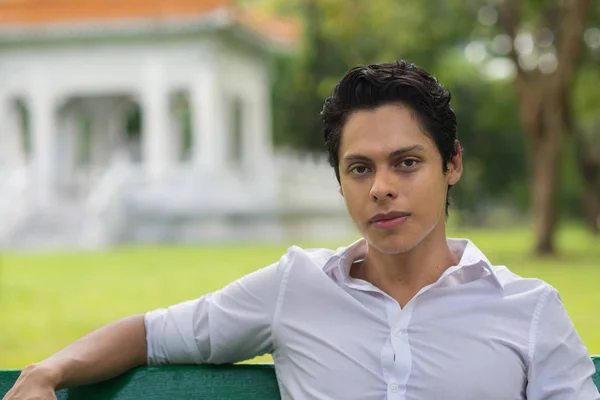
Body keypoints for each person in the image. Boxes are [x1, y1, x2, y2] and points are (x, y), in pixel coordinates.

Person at [4, 60, 599, 400]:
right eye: (359, 168)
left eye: (407, 163)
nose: (381, 187)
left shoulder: (527, 311)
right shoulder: (296, 287)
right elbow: (154, 334)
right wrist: (47, 372)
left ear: (453, 165)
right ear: (340, 182)